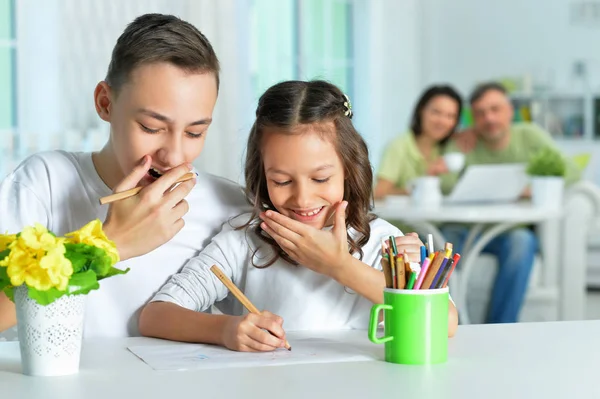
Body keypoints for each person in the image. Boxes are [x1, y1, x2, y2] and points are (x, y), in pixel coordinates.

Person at [138, 80, 458, 352]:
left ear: (350, 170)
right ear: (262, 176)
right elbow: (155, 315)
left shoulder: (384, 242)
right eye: (282, 181)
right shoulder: (244, 238)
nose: (302, 198)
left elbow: (445, 323)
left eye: (320, 179)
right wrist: (224, 330)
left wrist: (339, 265)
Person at [0, 14, 250, 337]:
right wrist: (109, 245)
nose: (173, 156)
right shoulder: (43, 183)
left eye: (194, 132)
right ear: (105, 103)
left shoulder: (227, 207)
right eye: (151, 127)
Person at [442, 81, 581, 323]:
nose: (489, 118)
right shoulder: (465, 142)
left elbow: (570, 170)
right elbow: (445, 186)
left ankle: (499, 326)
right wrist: (457, 145)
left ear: (510, 111)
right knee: (438, 242)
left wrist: (531, 188)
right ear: (473, 117)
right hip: (465, 230)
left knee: (523, 243)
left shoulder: (529, 135)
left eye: (495, 109)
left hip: (510, 231)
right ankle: (447, 323)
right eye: (480, 113)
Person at [374, 85, 462, 199]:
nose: (442, 121)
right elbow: (378, 193)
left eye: (450, 116)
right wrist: (424, 184)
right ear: (421, 110)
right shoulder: (399, 146)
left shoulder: (450, 148)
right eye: (436, 112)